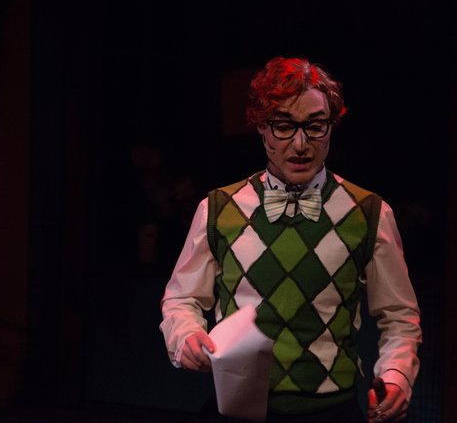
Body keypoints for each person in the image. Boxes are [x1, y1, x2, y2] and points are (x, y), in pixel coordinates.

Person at [160, 57, 421, 422]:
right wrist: (186, 336)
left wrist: (396, 376)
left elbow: (399, 315)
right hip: (236, 409)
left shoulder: (368, 213)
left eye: (315, 126)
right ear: (261, 128)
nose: (300, 144)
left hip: (330, 413)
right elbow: (182, 298)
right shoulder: (219, 209)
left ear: (331, 127)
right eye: (283, 126)